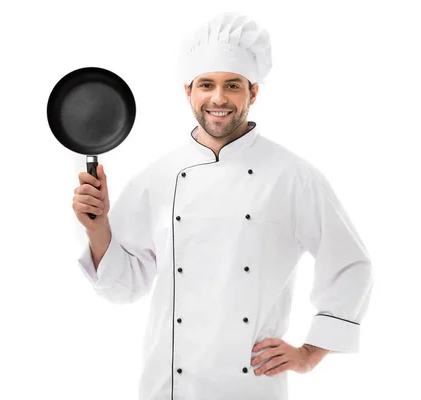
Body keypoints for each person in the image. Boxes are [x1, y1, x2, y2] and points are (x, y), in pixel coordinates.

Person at [71, 12, 373, 400]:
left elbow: (350, 264)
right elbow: (124, 288)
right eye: (206, 85)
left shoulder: (293, 176)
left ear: (253, 92)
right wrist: (97, 228)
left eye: (232, 85)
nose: (218, 98)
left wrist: (310, 353)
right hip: (167, 385)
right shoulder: (157, 177)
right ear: (188, 92)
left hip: (251, 386)